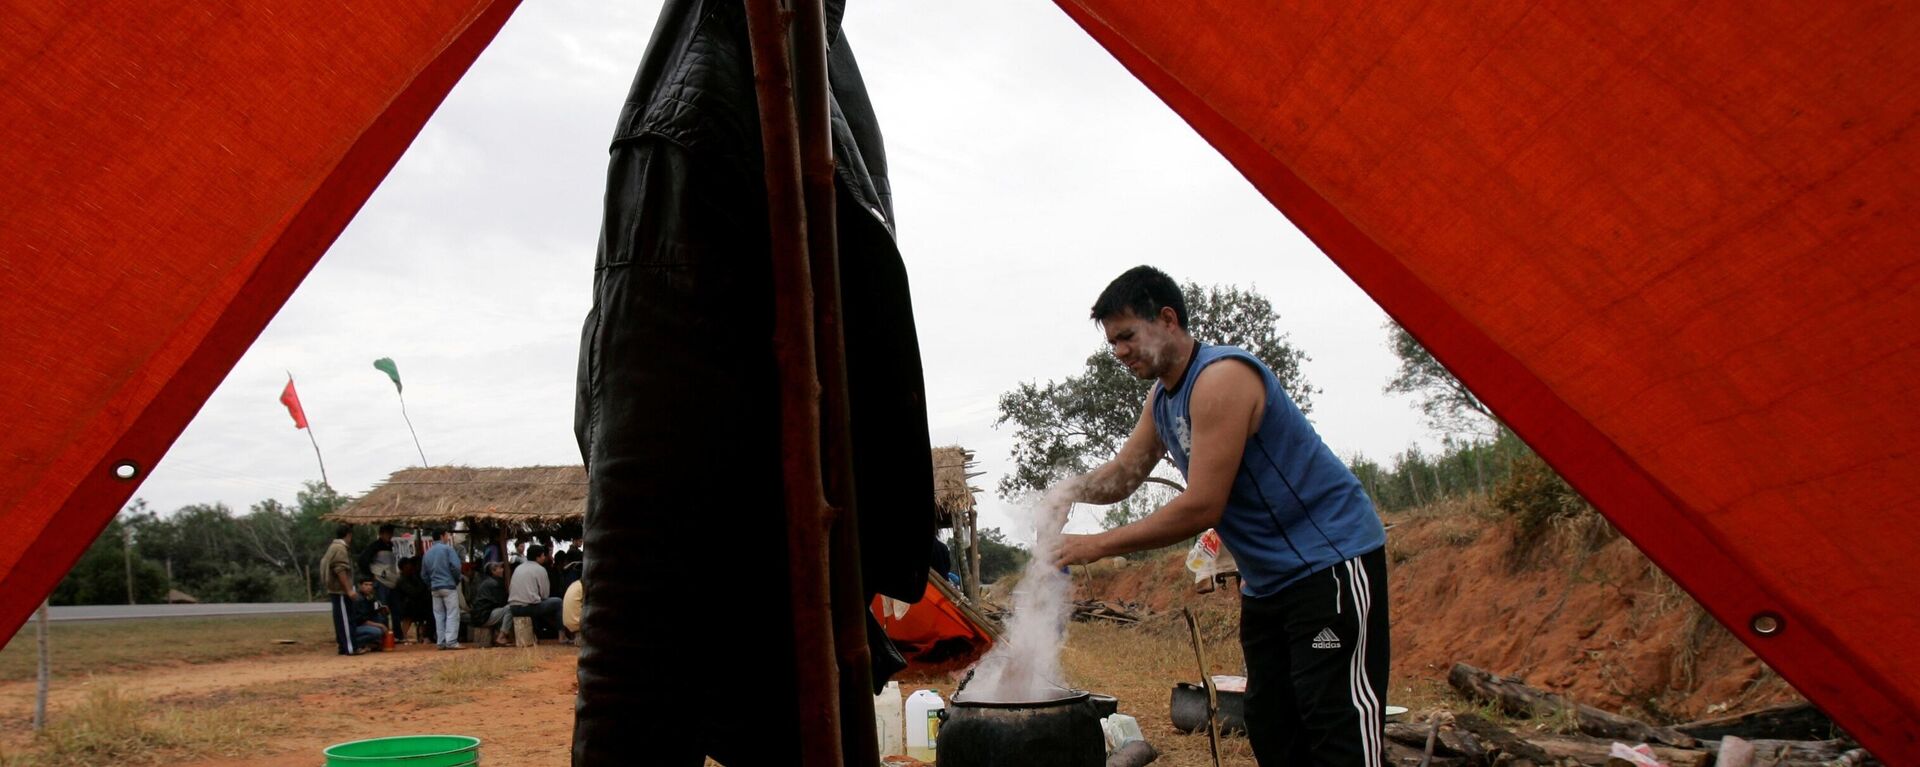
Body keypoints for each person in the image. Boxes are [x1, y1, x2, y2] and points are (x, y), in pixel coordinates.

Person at [570, 2, 936, 762]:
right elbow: (636, 506)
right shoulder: (697, 103)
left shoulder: (816, 58)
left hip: (800, 584)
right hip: (746, 578)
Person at [1054, 266, 1390, 767]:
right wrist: (1064, 493)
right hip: (1268, 585)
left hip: (1330, 566)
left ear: (1167, 319)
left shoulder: (1222, 377)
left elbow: (1202, 505)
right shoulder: (1163, 399)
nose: (1120, 351)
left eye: (1126, 336)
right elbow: (1125, 473)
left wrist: (1094, 545)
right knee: (1274, 726)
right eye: (1112, 343)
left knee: (1335, 727)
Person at [319, 524, 361, 655]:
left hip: (335, 590)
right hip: (340, 591)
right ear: (348, 534)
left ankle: (343, 647)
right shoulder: (340, 549)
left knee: (340, 620)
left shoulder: (333, 547)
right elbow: (340, 570)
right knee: (345, 620)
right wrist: (349, 590)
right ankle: (350, 648)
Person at [421, 528, 465, 650]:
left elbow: (424, 574)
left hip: (435, 588)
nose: (448, 537)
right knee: (452, 613)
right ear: (442, 536)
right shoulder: (447, 549)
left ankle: (441, 641)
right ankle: (451, 641)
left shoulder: (427, 553)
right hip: (448, 586)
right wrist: (455, 580)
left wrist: (430, 584)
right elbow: (456, 567)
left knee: (439, 615)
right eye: (447, 535)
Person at [509, 544, 564, 641]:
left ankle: (537, 633)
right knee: (558, 602)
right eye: (543, 555)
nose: (544, 557)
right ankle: (562, 635)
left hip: (513, 607)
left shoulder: (519, 568)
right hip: (527, 608)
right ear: (538, 557)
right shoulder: (540, 569)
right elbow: (545, 595)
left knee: (537, 602)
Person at [391, 556, 433, 645]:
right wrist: (422, 585)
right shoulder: (402, 580)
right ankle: (403, 637)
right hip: (406, 606)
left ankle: (423, 636)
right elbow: (413, 592)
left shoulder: (412, 576)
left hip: (415, 604)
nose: (411, 568)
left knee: (428, 611)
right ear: (403, 567)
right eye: (408, 566)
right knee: (410, 615)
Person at [470, 560, 512, 643]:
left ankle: (497, 634)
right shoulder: (495, 583)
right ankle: (501, 636)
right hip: (484, 617)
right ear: (493, 571)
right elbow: (501, 602)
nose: (502, 570)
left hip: (480, 616)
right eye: (500, 568)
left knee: (502, 610)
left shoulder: (486, 582)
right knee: (510, 608)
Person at [358, 524, 398, 604]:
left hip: (392, 581)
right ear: (381, 534)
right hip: (380, 581)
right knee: (381, 608)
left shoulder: (390, 546)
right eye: (387, 533)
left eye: (391, 533)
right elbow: (362, 560)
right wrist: (371, 575)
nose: (390, 535)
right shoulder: (375, 546)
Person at [348, 577, 391, 652]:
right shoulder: (358, 599)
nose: (368, 587)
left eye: (370, 585)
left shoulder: (370, 597)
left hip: (364, 624)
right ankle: (354, 643)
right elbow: (361, 620)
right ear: (360, 586)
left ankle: (373, 643)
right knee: (377, 631)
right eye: (366, 584)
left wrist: (383, 610)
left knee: (381, 619)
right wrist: (380, 625)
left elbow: (372, 613)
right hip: (356, 627)